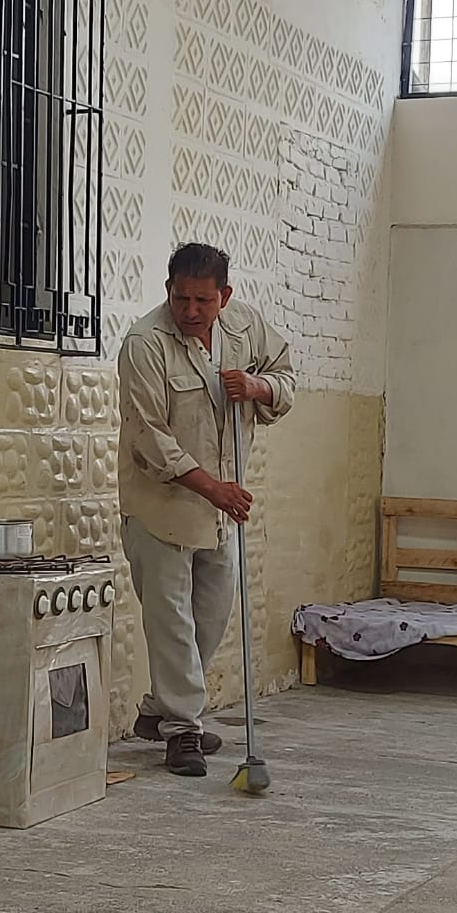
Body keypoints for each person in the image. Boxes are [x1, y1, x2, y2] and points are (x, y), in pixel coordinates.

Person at [117, 243, 296, 777]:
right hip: (161, 507)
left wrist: (258, 386)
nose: (190, 310)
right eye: (181, 298)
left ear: (225, 296)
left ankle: (160, 709)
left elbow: (286, 378)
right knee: (171, 622)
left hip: (220, 510)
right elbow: (150, 439)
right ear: (168, 290)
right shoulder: (145, 344)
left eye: (202, 300)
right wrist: (212, 488)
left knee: (211, 616)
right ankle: (182, 731)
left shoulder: (245, 327)